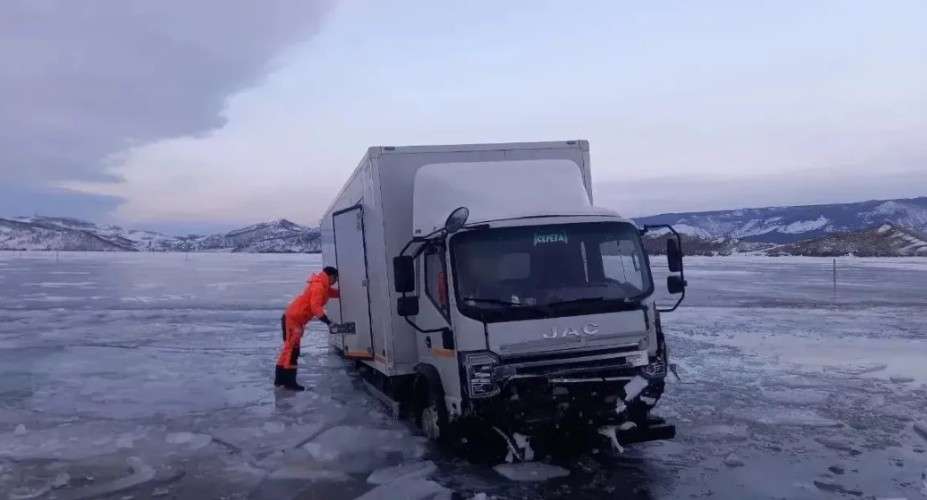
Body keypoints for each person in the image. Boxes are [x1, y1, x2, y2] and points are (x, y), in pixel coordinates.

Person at [275, 266, 339, 391]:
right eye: (336, 278)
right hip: (293, 319)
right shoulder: (318, 287)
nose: (335, 281)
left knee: (290, 350)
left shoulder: (322, 286)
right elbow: (315, 307)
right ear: (330, 276)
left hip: (296, 320)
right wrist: (328, 321)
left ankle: (280, 380)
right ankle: (289, 382)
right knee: (292, 351)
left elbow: (334, 293)